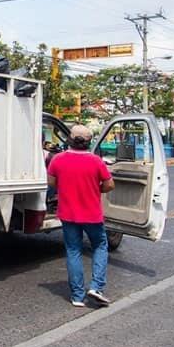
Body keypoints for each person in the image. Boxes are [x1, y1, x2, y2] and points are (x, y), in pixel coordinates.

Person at [47, 124, 115, 308]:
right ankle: (96, 287)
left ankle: (77, 296)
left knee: (73, 251)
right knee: (100, 246)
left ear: (69, 138)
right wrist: (95, 188)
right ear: (89, 142)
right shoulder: (96, 161)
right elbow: (110, 185)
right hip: (92, 214)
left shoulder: (58, 160)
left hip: (68, 214)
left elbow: (51, 182)